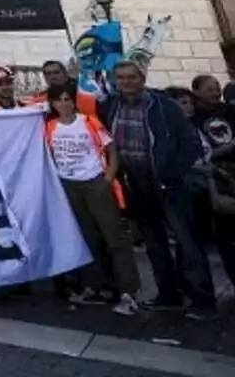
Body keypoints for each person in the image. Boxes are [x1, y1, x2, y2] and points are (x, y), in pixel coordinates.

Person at [98, 60, 216, 320]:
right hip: (136, 183)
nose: (126, 82)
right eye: (121, 78)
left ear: (142, 78)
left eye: (131, 77)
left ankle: (204, 299)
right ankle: (168, 294)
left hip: (168, 183)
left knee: (187, 242)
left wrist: (173, 173)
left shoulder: (165, 106)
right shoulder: (111, 106)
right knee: (154, 244)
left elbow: (190, 143)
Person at [43, 82, 139, 315]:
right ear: (53, 103)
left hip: (94, 181)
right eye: (59, 100)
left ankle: (128, 290)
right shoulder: (49, 127)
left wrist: (107, 178)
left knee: (113, 235)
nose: (64, 104)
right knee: (87, 237)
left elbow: (111, 149)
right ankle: (96, 286)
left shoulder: (89, 121)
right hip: (68, 184)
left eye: (67, 99)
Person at [190, 74, 235, 285]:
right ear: (196, 92)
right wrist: (219, 153)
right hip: (214, 176)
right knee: (225, 231)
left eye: (217, 87)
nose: (216, 92)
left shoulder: (230, 111)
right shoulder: (193, 119)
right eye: (209, 89)